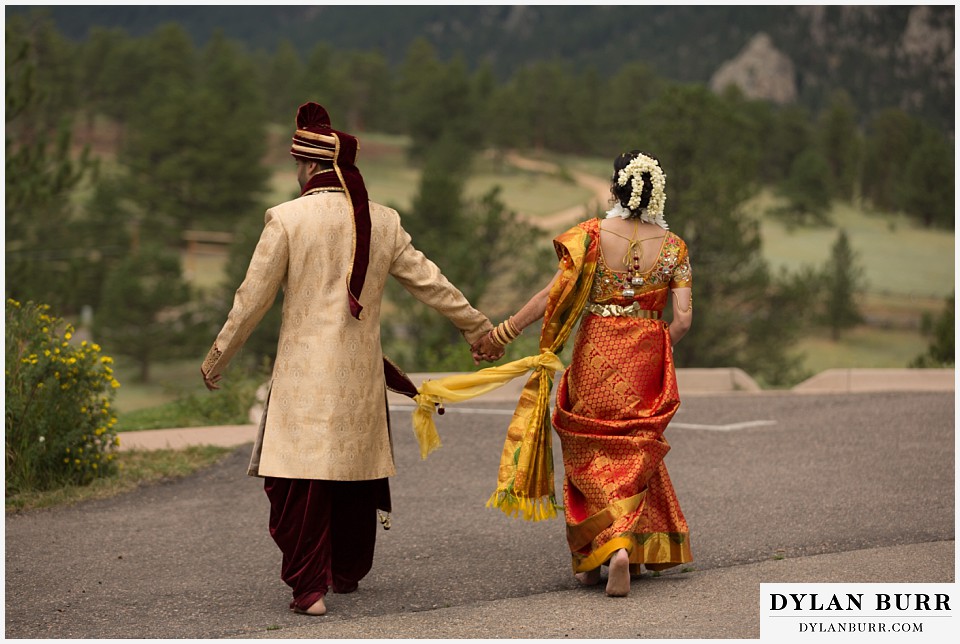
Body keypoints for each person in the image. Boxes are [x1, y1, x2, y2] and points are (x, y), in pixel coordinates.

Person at [200, 102, 493, 616]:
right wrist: (479, 328)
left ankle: (309, 588)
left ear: (311, 168)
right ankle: (344, 572)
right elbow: (432, 283)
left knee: (300, 479)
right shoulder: (384, 221)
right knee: (349, 473)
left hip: (302, 378)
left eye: (298, 166)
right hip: (359, 379)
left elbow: (252, 299)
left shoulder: (286, 219)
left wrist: (218, 356)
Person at [472, 150, 693, 597]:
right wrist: (653, 346)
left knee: (587, 449)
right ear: (656, 193)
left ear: (615, 188)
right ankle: (620, 547)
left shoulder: (591, 237)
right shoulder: (675, 249)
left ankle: (603, 554)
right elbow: (684, 320)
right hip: (646, 356)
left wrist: (502, 333)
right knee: (633, 449)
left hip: (595, 353)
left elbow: (551, 296)